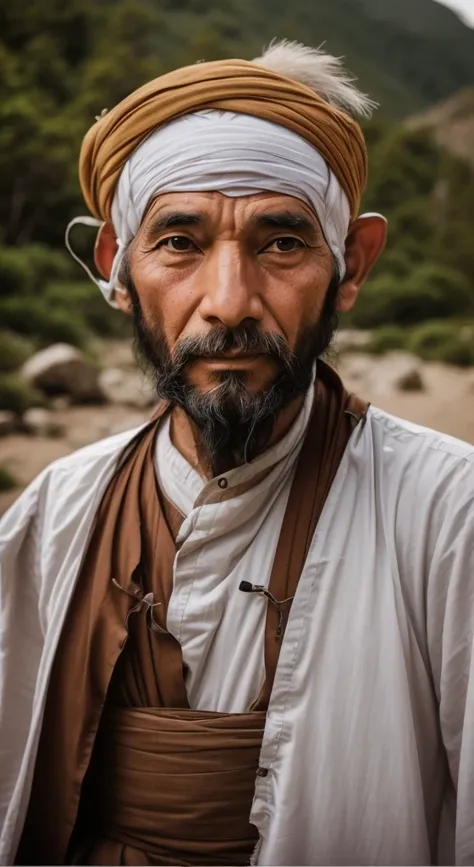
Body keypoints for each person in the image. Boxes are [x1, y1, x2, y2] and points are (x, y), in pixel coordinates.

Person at [1, 40, 473, 867]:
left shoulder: (447, 514)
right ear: (116, 269)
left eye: (282, 243)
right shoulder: (54, 510)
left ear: (350, 265)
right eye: (178, 242)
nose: (228, 303)